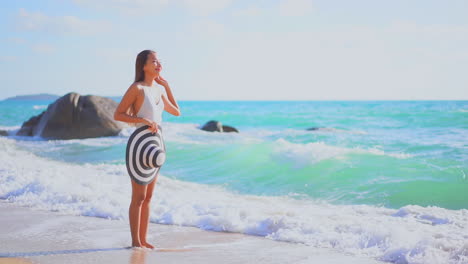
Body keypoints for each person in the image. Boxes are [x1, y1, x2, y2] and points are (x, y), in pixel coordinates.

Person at [114, 50, 181, 249]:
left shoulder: (159, 90)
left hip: (155, 145)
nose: (158, 64)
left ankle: (143, 239)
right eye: (154, 61)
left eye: (159, 61)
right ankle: (135, 241)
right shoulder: (137, 88)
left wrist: (167, 86)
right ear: (143, 66)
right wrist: (142, 120)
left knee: (149, 197)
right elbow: (118, 114)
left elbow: (177, 111)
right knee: (139, 197)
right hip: (140, 145)